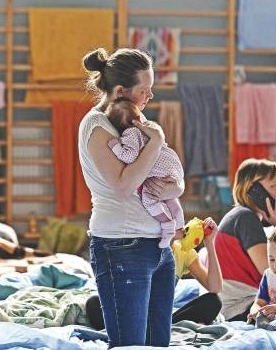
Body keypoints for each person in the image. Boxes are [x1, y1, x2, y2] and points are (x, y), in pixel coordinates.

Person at [79, 47, 183, 347]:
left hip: (158, 246)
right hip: (121, 246)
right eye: (145, 90)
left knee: (157, 343)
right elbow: (124, 184)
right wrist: (157, 139)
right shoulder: (96, 125)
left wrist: (176, 189)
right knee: (130, 345)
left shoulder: (133, 123)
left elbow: (165, 169)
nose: (150, 97)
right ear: (121, 91)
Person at [86, 217, 223, 329]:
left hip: (161, 317)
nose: (179, 220)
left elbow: (215, 287)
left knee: (213, 301)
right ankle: (141, 330)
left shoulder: (182, 251)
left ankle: (159, 328)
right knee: (93, 303)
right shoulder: (138, 245)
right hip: (131, 313)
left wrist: (210, 244)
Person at [215, 158, 276, 321]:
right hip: (241, 309)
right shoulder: (246, 218)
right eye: (274, 186)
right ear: (254, 190)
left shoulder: (240, 216)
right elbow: (275, 272)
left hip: (234, 308)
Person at [105, 97, 184, 248]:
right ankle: (180, 225)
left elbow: (130, 155)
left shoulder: (130, 134)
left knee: (149, 198)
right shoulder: (151, 126)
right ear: (138, 117)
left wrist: (115, 146)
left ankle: (167, 226)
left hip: (158, 168)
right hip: (172, 163)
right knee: (169, 196)